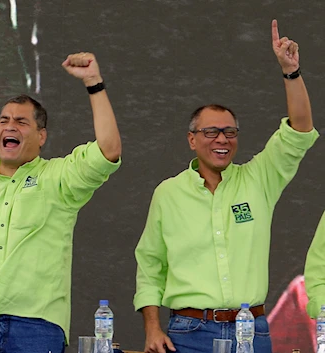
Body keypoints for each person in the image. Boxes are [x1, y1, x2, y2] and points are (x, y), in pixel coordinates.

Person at [134, 19, 318, 353]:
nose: (222, 139)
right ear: (192, 139)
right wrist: (151, 328)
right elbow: (150, 266)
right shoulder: (168, 193)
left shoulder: (259, 178)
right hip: (188, 332)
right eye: (211, 132)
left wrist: (291, 72)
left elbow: (300, 132)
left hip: (252, 331)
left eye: (230, 132)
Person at [0, 52, 121, 353]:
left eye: (21, 122)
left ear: (41, 136)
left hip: (36, 329)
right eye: (4, 121)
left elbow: (109, 150)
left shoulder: (58, 178)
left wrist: (93, 83)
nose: (10, 127)